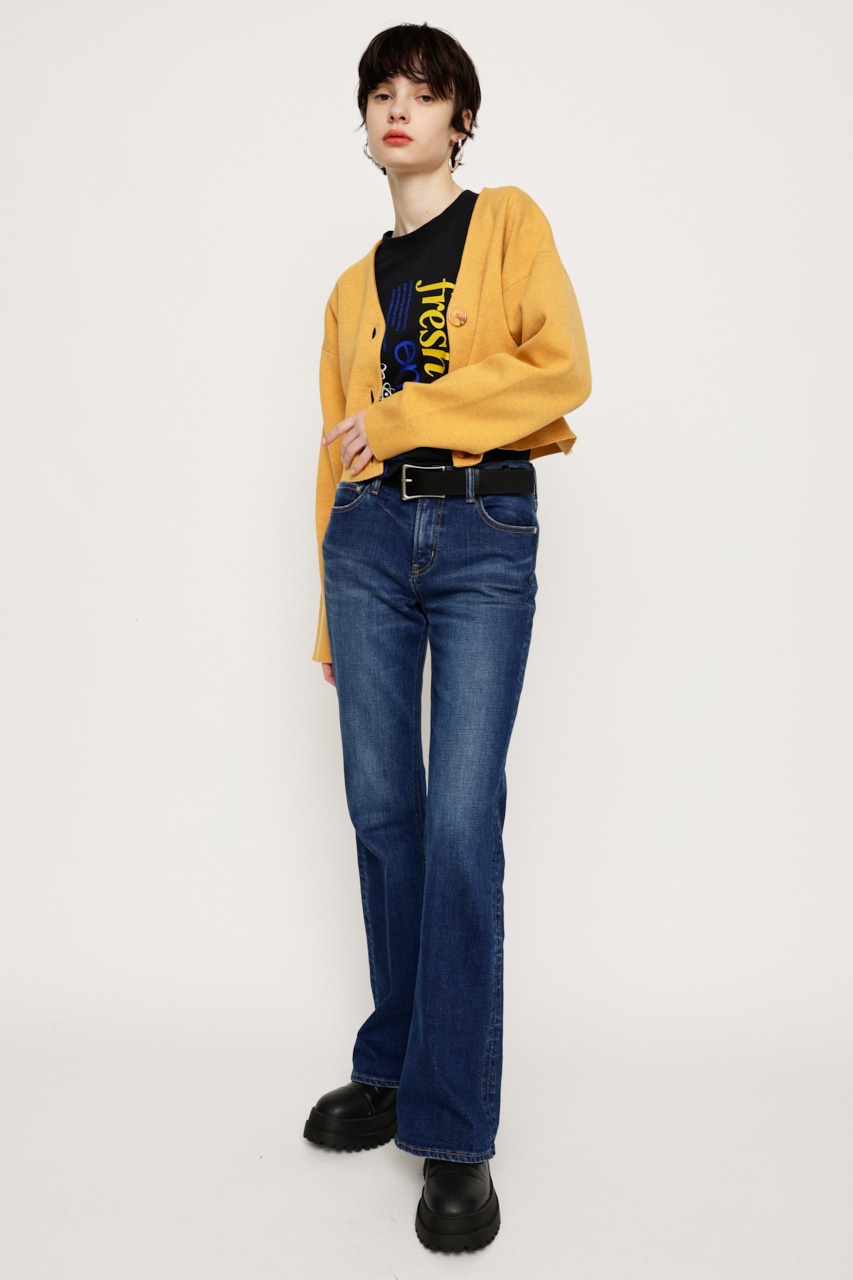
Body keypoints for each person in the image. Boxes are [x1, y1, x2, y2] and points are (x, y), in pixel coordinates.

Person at [303, 23, 591, 1252]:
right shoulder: (346, 288)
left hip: (479, 535)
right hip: (367, 546)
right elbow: (334, 448)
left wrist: (411, 412)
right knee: (384, 812)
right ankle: (394, 1058)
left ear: (459, 119)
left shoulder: (510, 223)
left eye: (423, 92)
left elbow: (558, 370)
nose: (399, 107)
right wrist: (329, 605)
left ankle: (455, 1126)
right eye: (381, 92)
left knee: (462, 821)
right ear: (365, 126)